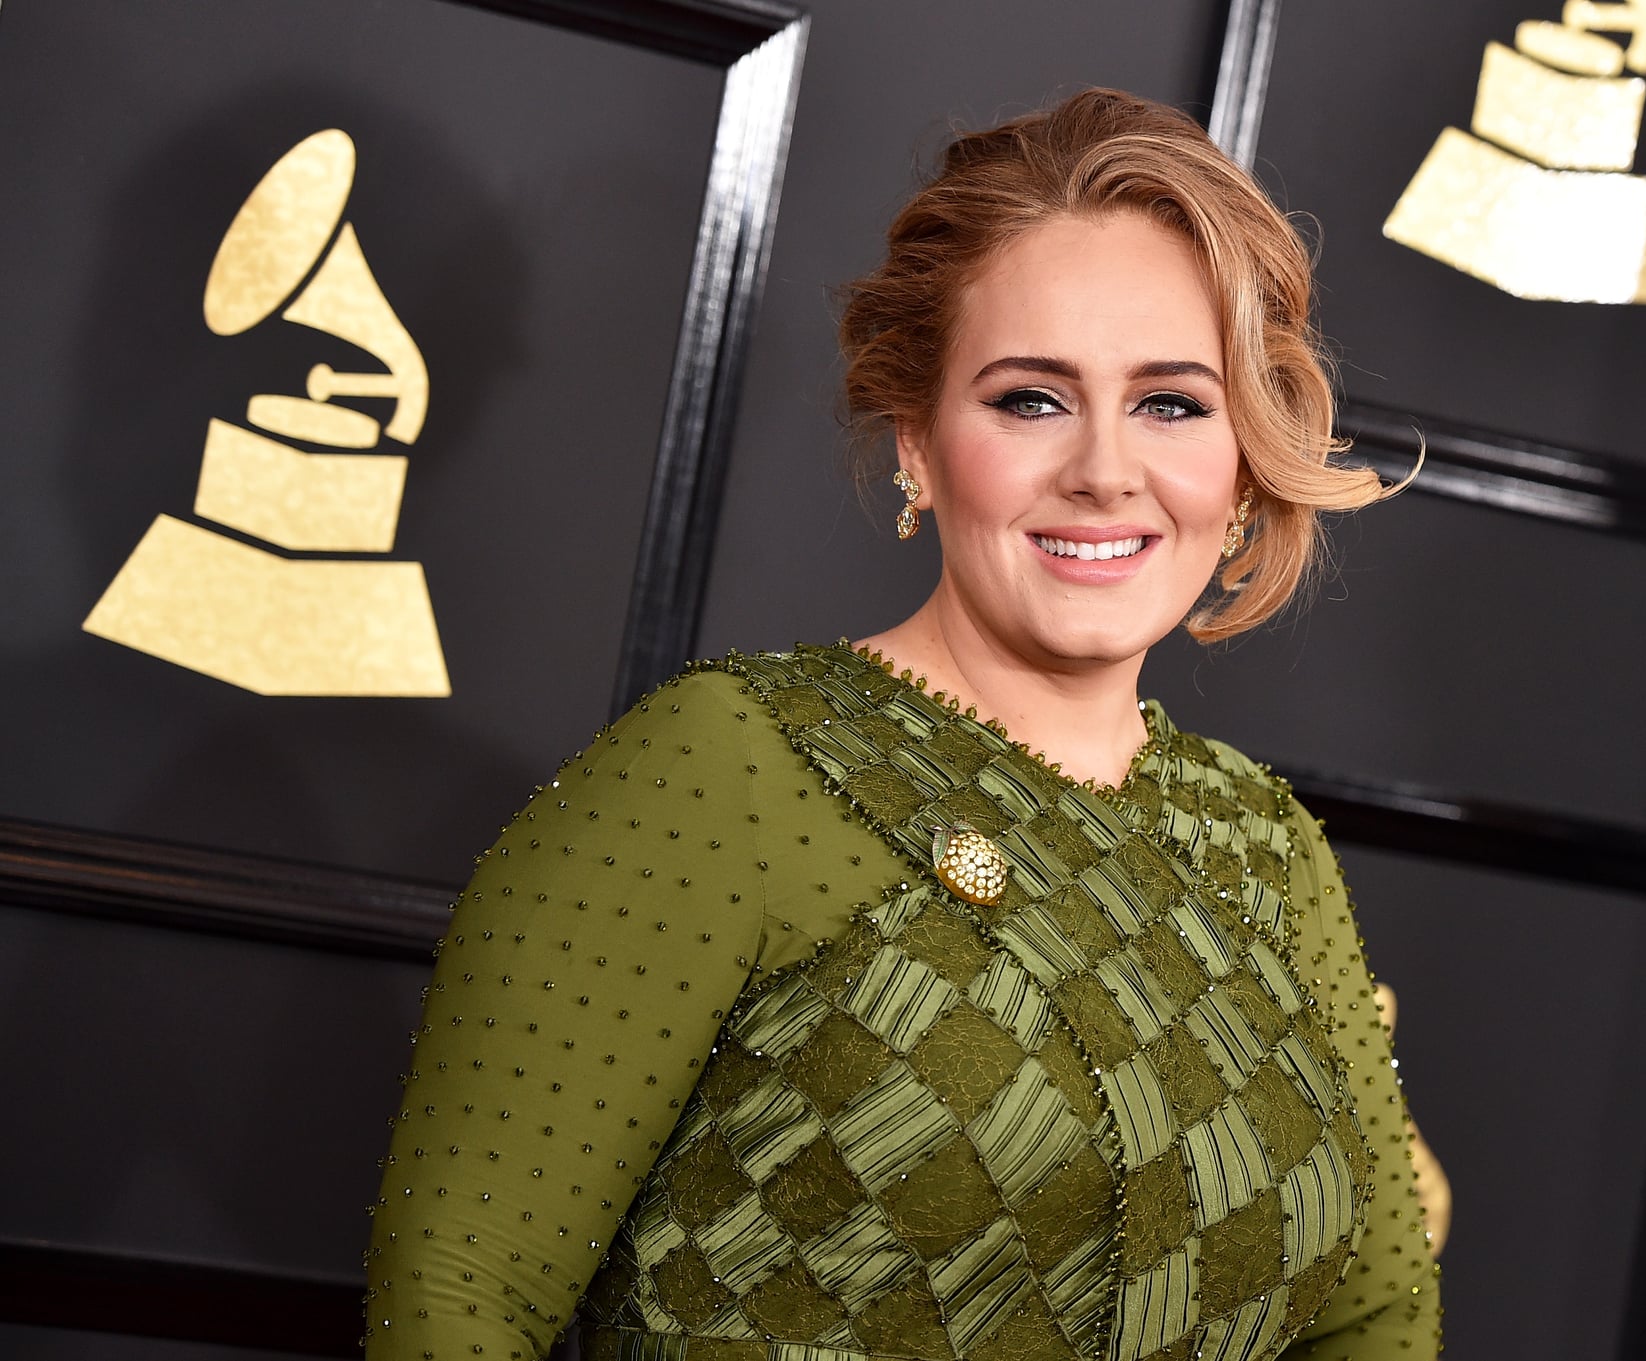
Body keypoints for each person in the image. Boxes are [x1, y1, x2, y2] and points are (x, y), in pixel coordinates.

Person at [363, 87, 1447, 1361]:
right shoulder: (725, 768)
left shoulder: (1265, 846)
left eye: (1170, 403)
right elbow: (455, 1294)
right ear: (917, 443)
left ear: (1244, 454)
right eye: (1030, 399)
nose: (1105, 466)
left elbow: (1376, 1317)